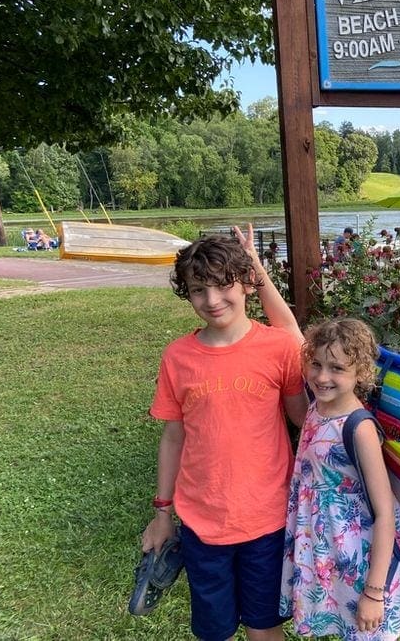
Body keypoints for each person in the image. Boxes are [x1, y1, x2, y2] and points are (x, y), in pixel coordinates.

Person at [141, 224, 307, 641]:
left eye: (222, 285)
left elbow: (304, 419)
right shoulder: (178, 357)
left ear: (247, 283)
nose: (212, 300)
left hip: (268, 519)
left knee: (264, 626)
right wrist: (163, 513)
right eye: (198, 290)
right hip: (202, 522)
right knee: (213, 630)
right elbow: (173, 437)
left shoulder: (279, 348)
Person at [281, 318, 400, 640]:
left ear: (361, 373)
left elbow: (384, 514)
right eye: (316, 364)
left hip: (363, 561)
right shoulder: (317, 408)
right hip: (331, 552)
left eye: (337, 368)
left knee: (363, 631)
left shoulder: (359, 428)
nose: (322, 376)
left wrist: (373, 592)